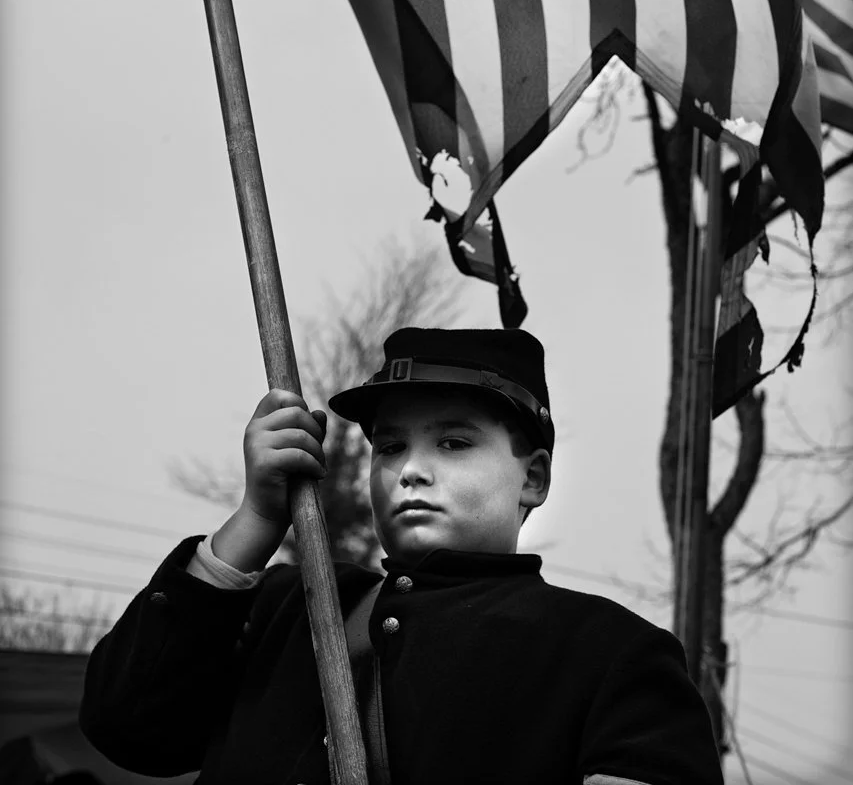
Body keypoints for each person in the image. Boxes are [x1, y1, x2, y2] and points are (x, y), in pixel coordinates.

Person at [80, 327, 723, 785]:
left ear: (534, 479)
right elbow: (129, 729)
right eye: (389, 447)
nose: (410, 470)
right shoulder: (292, 608)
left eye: (452, 441)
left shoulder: (608, 652)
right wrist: (257, 518)